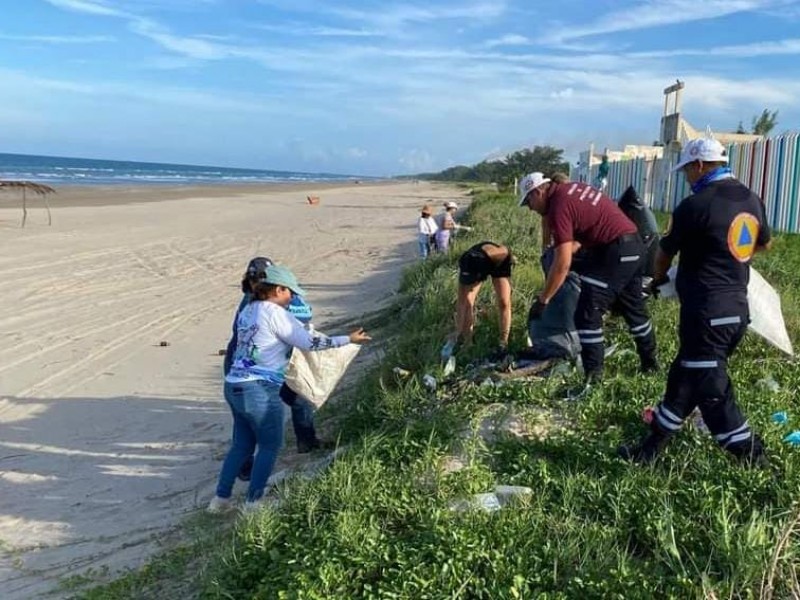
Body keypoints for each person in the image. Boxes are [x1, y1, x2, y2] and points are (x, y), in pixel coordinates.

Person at [618, 138, 772, 466]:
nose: (687, 177)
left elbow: (663, 253)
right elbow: (763, 245)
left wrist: (660, 280)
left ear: (699, 165)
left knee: (711, 390)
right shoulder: (751, 200)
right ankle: (650, 450)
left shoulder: (695, 205)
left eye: (687, 169)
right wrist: (730, 260)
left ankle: (752, 456)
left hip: (706, 313)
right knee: (684, 379)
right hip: (736, 310)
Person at [209, 265, 370, 512]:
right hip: (260, 389)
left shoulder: (248, 310)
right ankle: (254, 503)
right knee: (269, 445)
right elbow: (309, 342)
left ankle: (220, 501)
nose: (293, 297)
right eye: (290, 292)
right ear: (278, 289)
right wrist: (347, 339)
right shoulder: (276, 314)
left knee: (241, 446)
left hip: (234, 384)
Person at [519, 172, 657, 399]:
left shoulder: (558, 206)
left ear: (538, 191)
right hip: (634, 246)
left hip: (615, 252)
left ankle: (593, 381)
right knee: (635, 310)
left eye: (529, 202)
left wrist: (543, 300)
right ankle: (650, 365)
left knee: (587, 314)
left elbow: (562, 263)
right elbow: (591, 226)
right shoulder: (574, 190)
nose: (530, 208)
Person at [223, 258, 326, 482]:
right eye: (253, 279)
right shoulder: (249, 305)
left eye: (261, 278)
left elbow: (304, 315)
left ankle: (307, 441)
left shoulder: (285, 295)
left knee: (300, 400)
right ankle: (245, 464)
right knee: (246, 417)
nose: (256, 283)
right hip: (247, 367)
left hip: (278, 363)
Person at [443, 241, 513, 360]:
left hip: (498, 261)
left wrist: (511, 259)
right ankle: (468, 342)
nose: (469, 282)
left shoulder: (498, 254)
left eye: (471, 279)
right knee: (467, 299)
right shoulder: (466, 262)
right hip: (476, 264)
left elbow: (506, 251)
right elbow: (461, 302)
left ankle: (503, 342)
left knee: (504, 302)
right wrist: (458, 330)